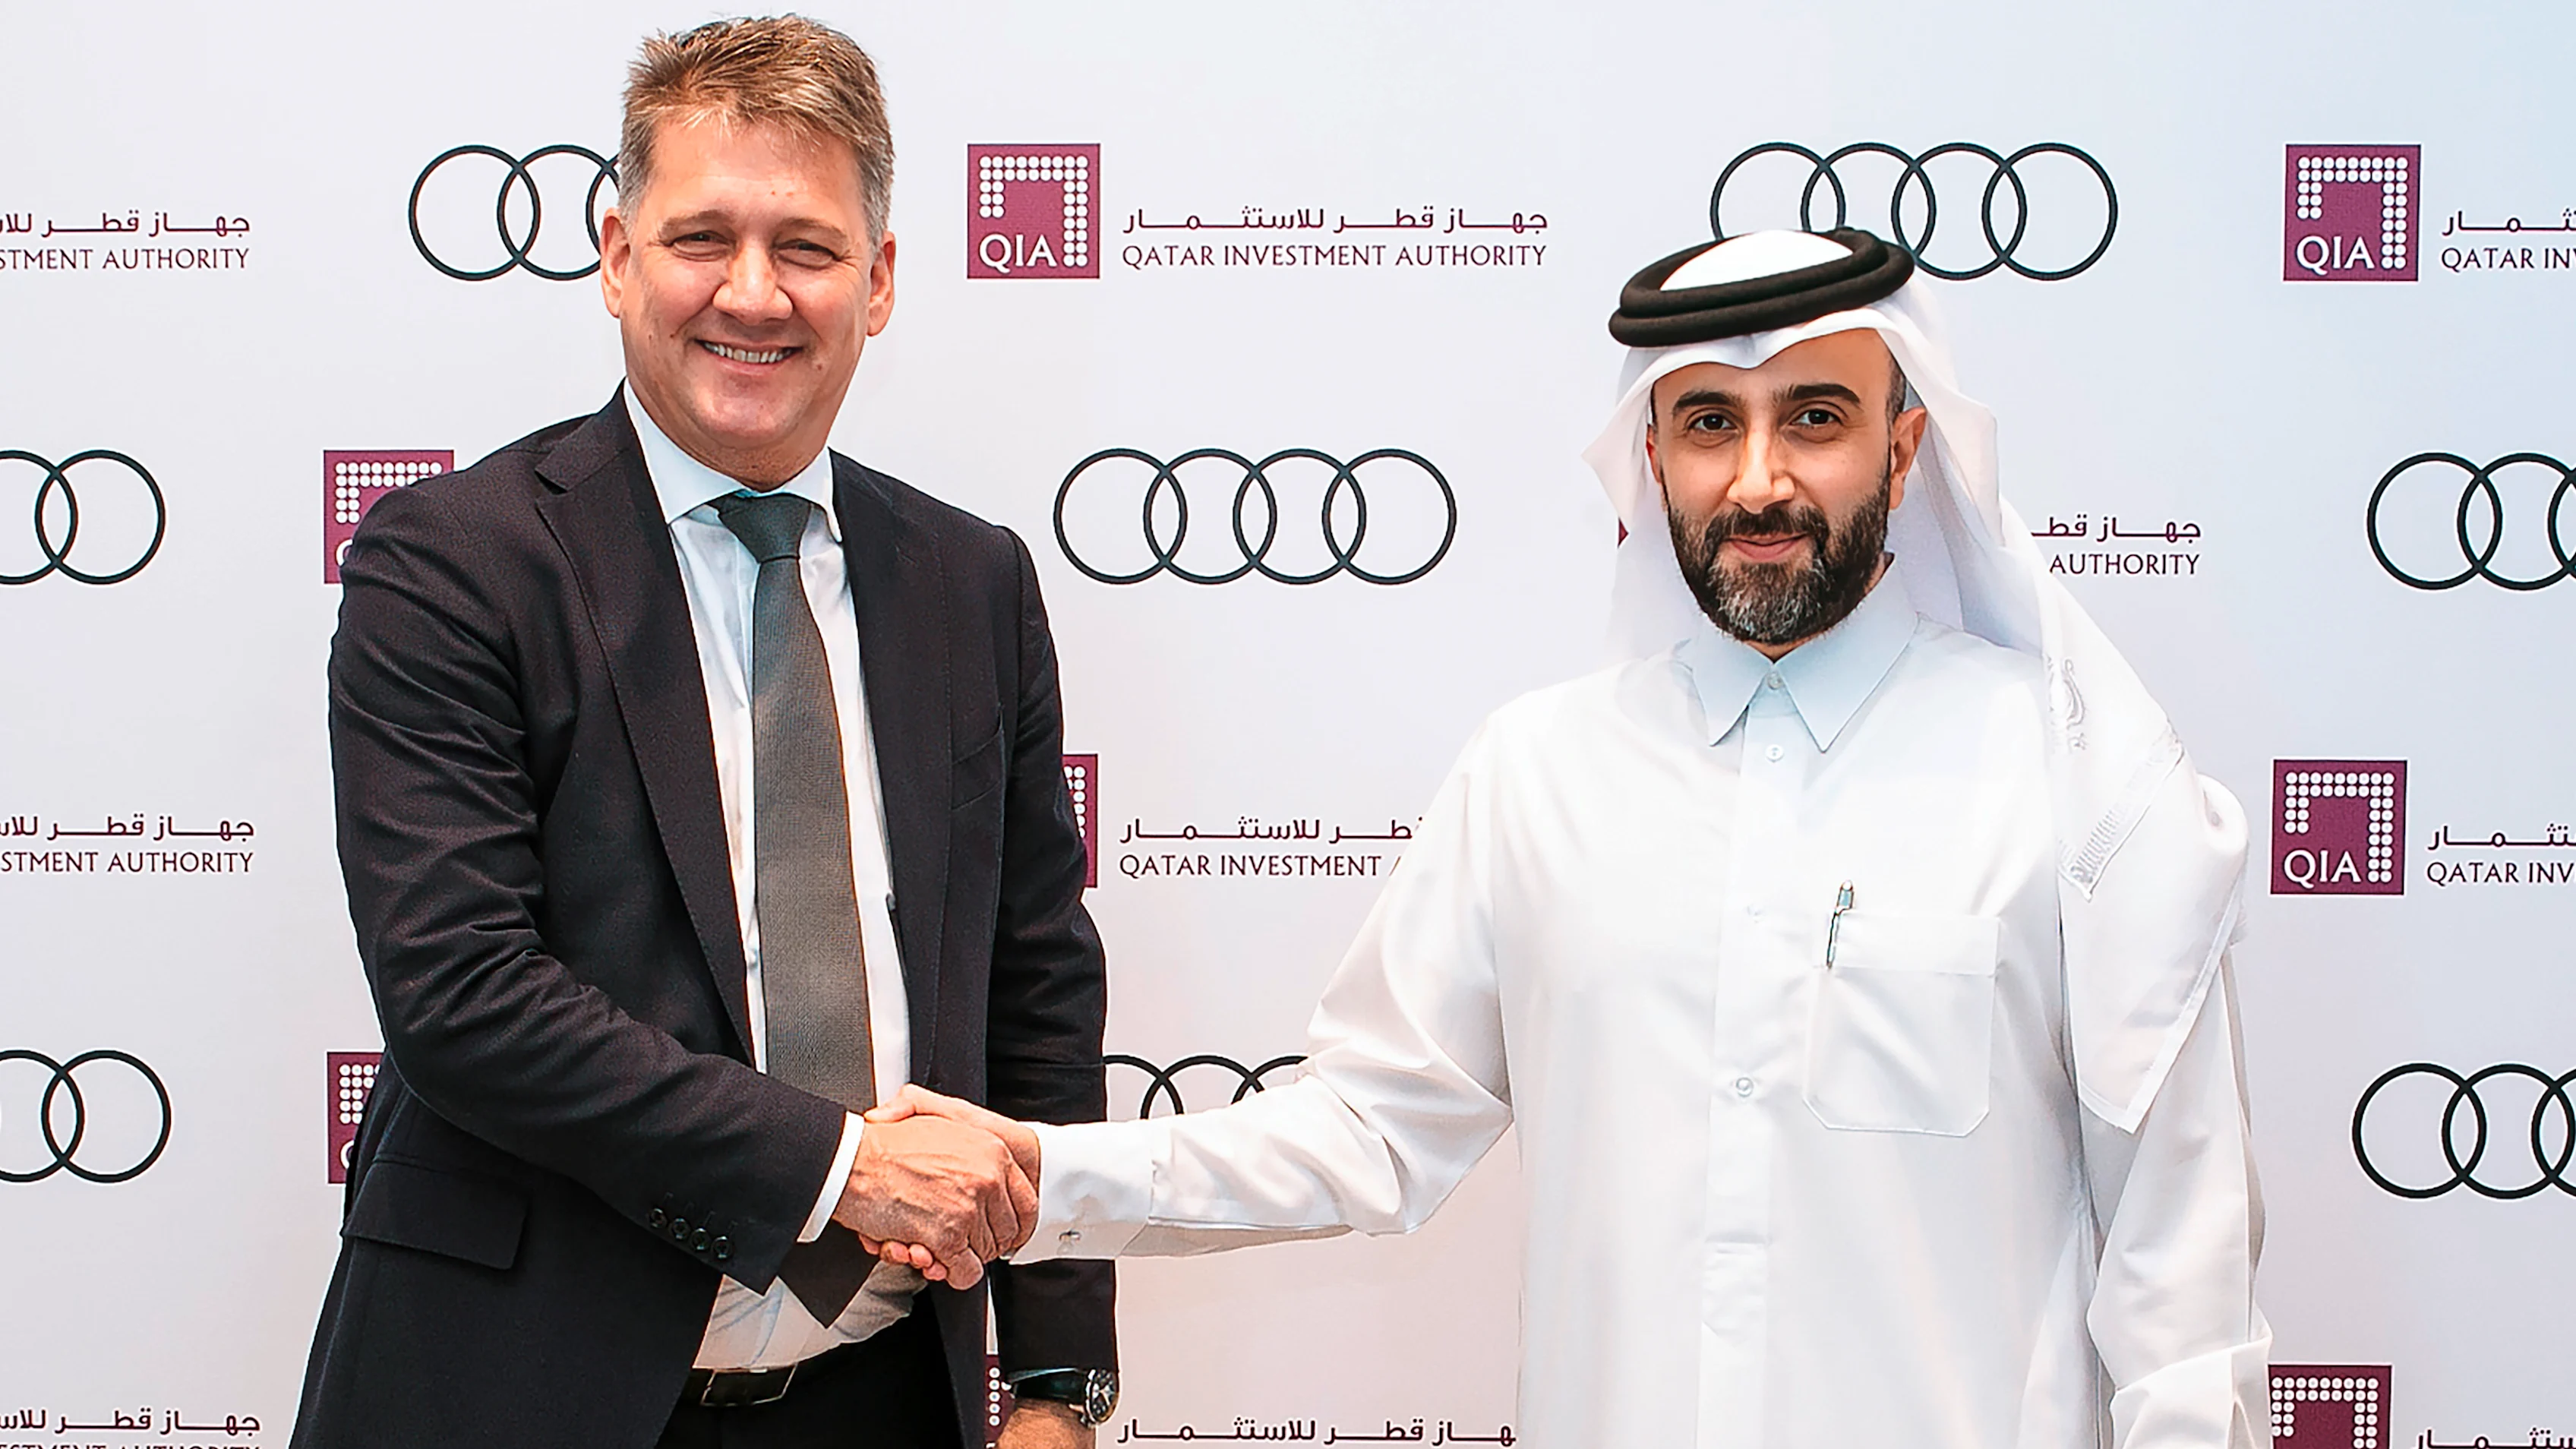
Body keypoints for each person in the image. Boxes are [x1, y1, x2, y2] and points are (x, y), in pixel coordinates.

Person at [872, 228, 2272, 1447]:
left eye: (1816, 417)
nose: (1760, 481)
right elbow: (1365, 1133)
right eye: (1711, 422)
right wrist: (1042, 1174)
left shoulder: (2073, 779)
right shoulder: (1537, 778)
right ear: (1651, 457)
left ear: (1903, 451)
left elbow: (2181, 1274)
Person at [292, 17, 1113, 1449]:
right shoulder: (453, 563)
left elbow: (1035, 985)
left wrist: (1057, 1381)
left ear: (880, 279)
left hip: (884, 1399)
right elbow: (462, 995)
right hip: (521, 1393)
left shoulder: (971, 581)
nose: (753, 293)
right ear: (617, 257)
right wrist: (842, 1169)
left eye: (807, 247)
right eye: (700, 239)